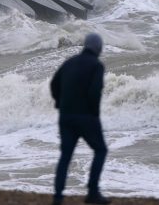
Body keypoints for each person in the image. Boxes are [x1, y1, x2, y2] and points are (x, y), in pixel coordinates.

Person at [50, 33, 111, 205]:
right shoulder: (96, 65)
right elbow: (94, 92)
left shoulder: (69, 62)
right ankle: (92, 192)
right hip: (85, 117)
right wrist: (95, 114)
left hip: (66, 116)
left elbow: (54, 84)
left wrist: (59, 103)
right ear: (98, 48)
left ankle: (58, 197)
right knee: (100, 150)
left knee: (65, 156)